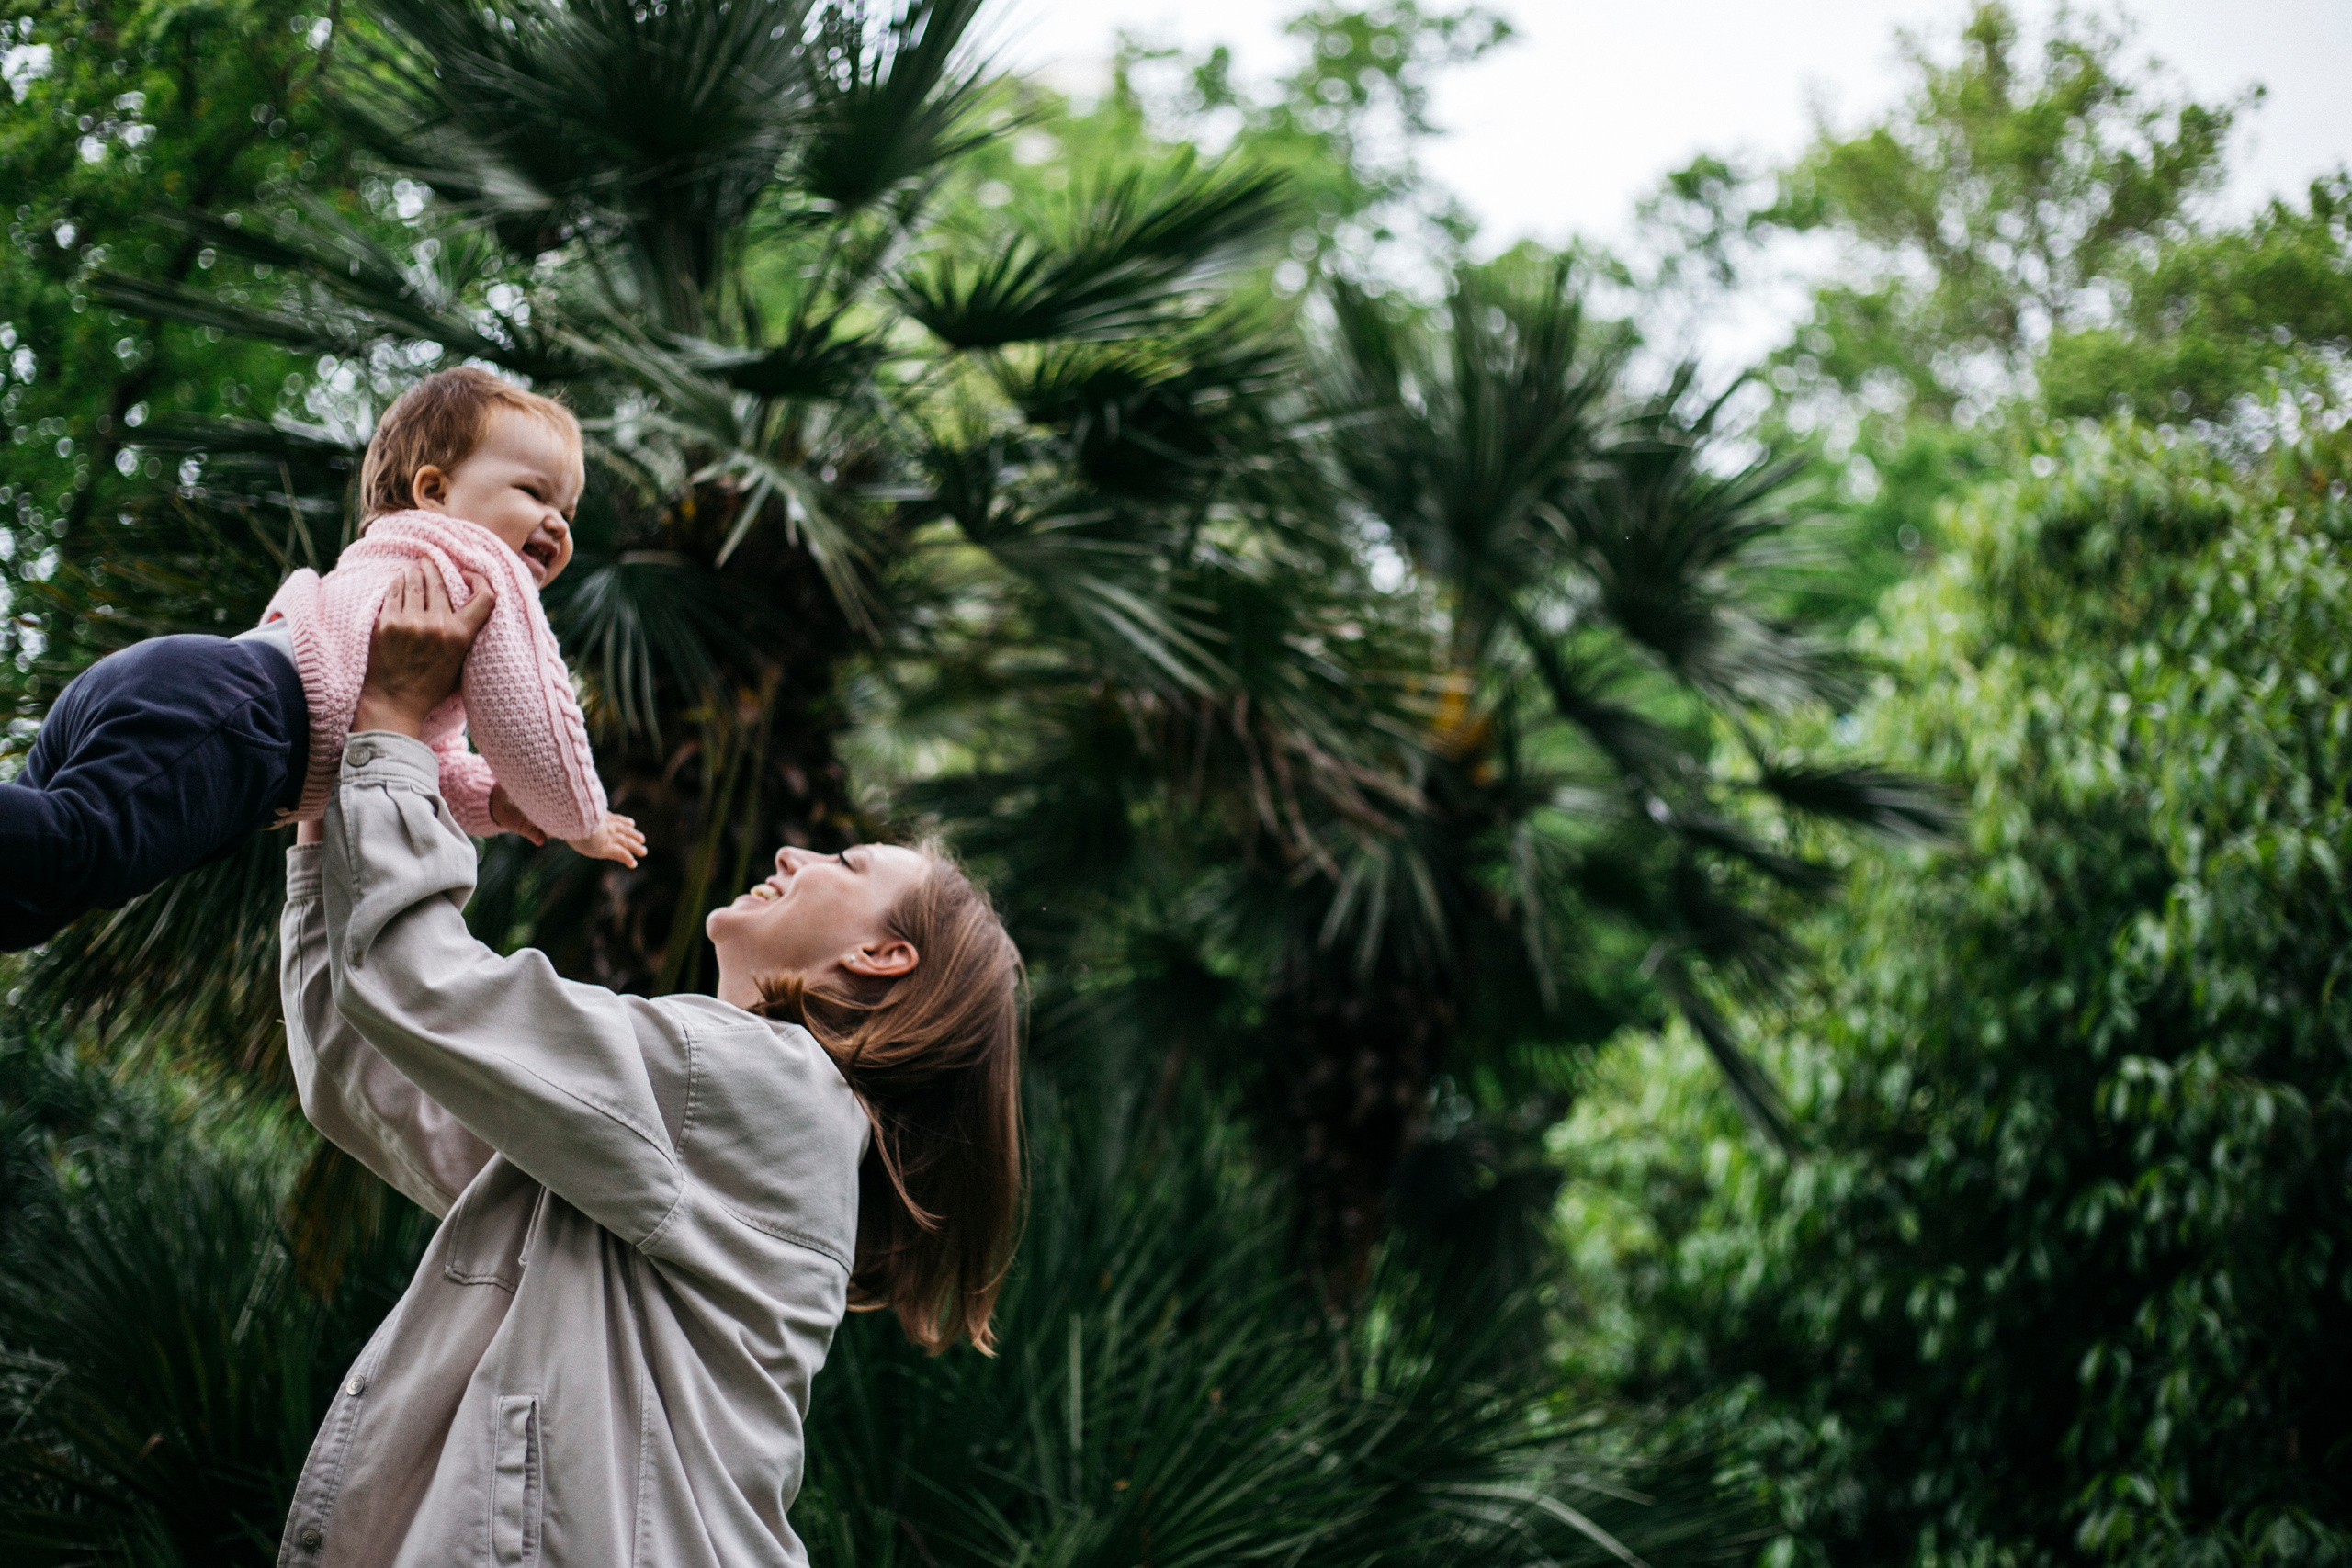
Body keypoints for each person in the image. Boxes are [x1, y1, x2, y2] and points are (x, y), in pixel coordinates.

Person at [275, 562, 1023, 1566]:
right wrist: (332, 815)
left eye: (847, 865)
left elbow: (419, 987)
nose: (797, 856)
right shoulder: (720, 1118)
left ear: (882, 957)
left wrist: (395, 729)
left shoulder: (769, 1089)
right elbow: (369, 1079)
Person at [0, 366, 642, 952]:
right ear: (435, 491)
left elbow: (419, 758)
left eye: (568, 510)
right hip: (240, 714)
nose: (557, 524)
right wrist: (578, 818)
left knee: (27, 900)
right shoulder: (482, 568)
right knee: (71, 850)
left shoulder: (401, 561)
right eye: (534, 493)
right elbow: (537, 724)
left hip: (185, 684)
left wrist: (498, 805)